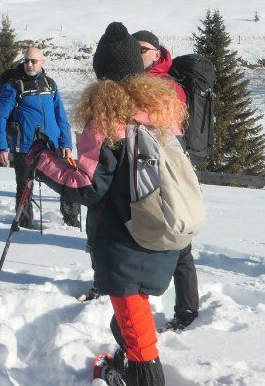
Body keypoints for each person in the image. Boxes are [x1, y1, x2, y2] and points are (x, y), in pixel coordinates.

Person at [33, 22, 187, 386]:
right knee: (131, 320)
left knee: (138, 335)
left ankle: (140, 376)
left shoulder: (107, 119)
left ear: (101, 74)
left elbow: (85, 186)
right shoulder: (160, 110)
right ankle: (124, 367)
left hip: (122, 240)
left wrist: (40, 158)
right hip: (160, 231)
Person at [134, 30, 196, 332]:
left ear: (157, 53)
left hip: (168, 168)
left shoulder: (169, 86)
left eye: (142, 49)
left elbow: (167, 124)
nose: (137, 53)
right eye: (132, 49)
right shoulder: (134, 81)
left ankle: (187, 308)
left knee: (178, 237)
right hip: (141, 167)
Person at [0, 46, 76, 229]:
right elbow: (0, 116)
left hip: (52, 144)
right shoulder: (14, 85)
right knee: (24, 187)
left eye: (33, 61)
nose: (29, 64)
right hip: (25, 146)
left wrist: (66, 142)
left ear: (42, 62)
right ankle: (24, 223)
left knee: (68, 181)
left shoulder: (49, 84)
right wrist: (1, 146)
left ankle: (71, 221)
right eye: (26, 60)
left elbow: (60, 114)